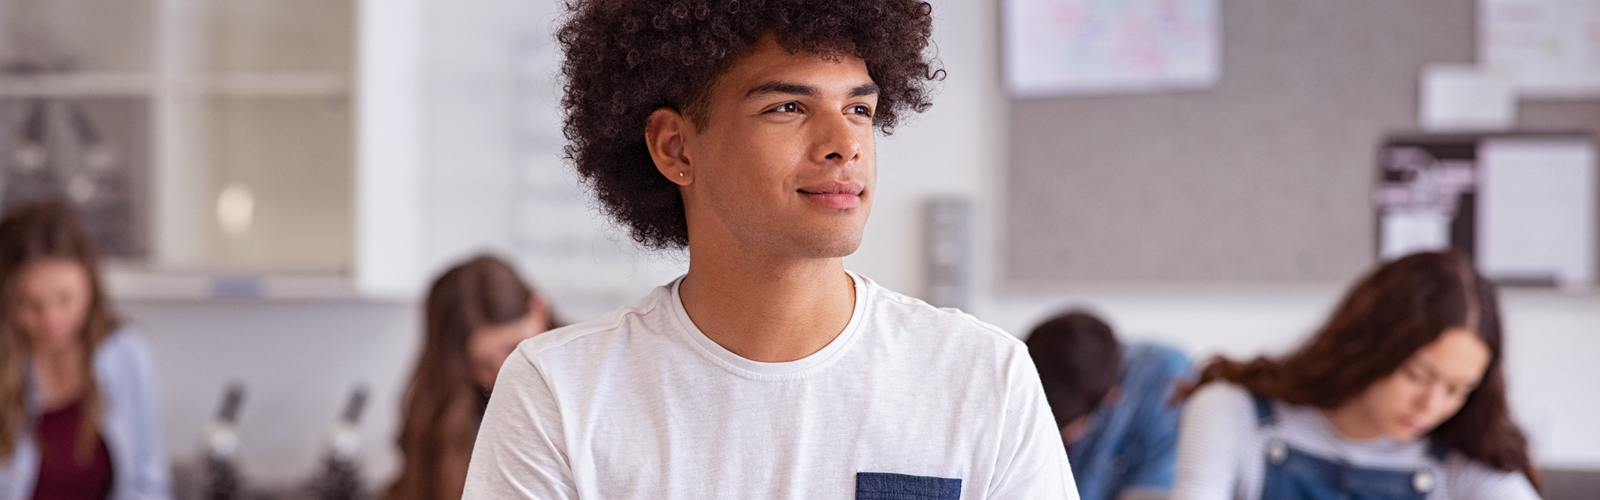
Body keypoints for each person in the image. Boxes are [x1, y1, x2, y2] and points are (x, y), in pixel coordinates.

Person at [462, 0, 1076, 497]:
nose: (845, 144)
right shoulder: (559, 393)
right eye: (788, 107)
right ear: (676, 148)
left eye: (859, 108)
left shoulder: (984, 378)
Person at [1170, 251, 1541, 500]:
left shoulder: (1460, 463)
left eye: (1458, 389)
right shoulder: (1234, 413)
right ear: (1369, 345)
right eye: (1416, 376)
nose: (1431, 404)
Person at [0, 200, 170, 499]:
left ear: (91, 282)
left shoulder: (127, 354)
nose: (51, 320)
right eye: (31, 304)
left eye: (64, 299)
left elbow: (148, 482)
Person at [385, 255, 558, 500]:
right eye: (481, 363)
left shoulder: (588, 376)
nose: (503, 373)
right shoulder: (438, 411)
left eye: (515, 349)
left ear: (539, 310)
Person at [1027, 311, 1192, 500]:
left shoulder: (1165, 381)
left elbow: (1154, 490)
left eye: (1063, 430)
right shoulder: (1026, 375)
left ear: (1112, 398)